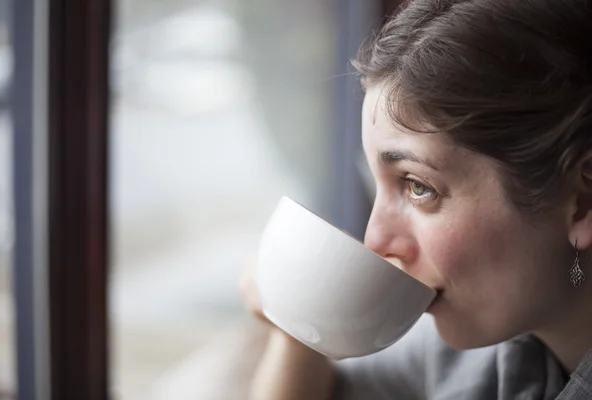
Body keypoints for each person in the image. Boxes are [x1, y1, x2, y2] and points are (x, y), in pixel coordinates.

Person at [240, 0, 592, 398]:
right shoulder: (481, 351)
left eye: (417, 186)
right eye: (379, 187)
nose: (375, 242)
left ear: (581, 200)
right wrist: (296, 324)